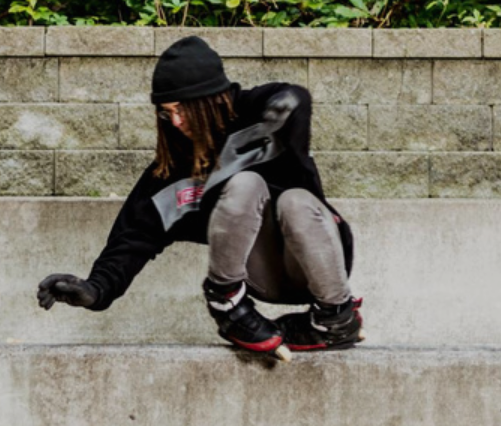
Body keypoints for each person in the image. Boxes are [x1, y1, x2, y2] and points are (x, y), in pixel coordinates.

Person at [37, 35, 363, 360]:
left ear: (212, 98)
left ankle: (335, 318)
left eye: (183, 109)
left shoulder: (259, 116)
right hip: (262, 272)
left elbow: (295, 98)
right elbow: (134, 236)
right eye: (167, 113)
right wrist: (94, 290)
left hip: (320, 258)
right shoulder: (174, 172)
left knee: (294, 201)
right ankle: (226, 300)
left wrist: (259, 135)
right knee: (245, 185)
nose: (176, 122)